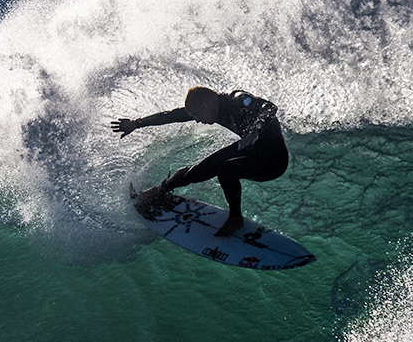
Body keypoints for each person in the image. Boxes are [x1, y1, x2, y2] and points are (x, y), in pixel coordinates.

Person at [111, 87, 289, 237]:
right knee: (195, 172)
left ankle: (236, 219)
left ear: (206, 104)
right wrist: (136, 124)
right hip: (250, 150)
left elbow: (269, 107)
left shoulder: (237, 99)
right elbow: (173, 115)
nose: (196, 119)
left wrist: (255, 131)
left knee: (226, 169)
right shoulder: (212, 109)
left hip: (274, 161)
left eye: (196, 114)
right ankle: (158, 192)